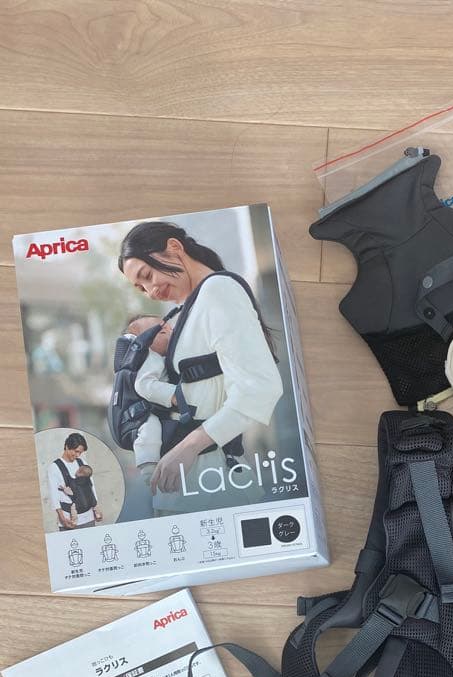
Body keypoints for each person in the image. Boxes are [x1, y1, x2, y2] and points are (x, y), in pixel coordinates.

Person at [118, 221, 283, 514]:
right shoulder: (188, 310)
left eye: (147, 275)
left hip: (212, 485)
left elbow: (260, 387)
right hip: (189, 487)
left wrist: (188, 447)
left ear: (174, 248)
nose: (150, 291)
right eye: (141, 288)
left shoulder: (218, 291)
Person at [122, 314, 174, 485]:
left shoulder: (163, 357)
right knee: (150, 429)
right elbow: (144, 385)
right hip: (143, 410)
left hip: (157, 406)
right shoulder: (151, 357)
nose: (170, 332)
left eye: (171, 329)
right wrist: (175, 395)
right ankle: (148, 469)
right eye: (161, 332)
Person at [47, 433, 103, 531]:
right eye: (76, 451)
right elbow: (54, 495)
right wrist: (62, 518)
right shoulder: (54, 467)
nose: (78, 455)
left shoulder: (82, 463)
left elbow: (91, 487)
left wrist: (96, 509)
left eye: (80, 453)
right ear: (67, 447)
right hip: (69, 519)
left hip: (88, 517)